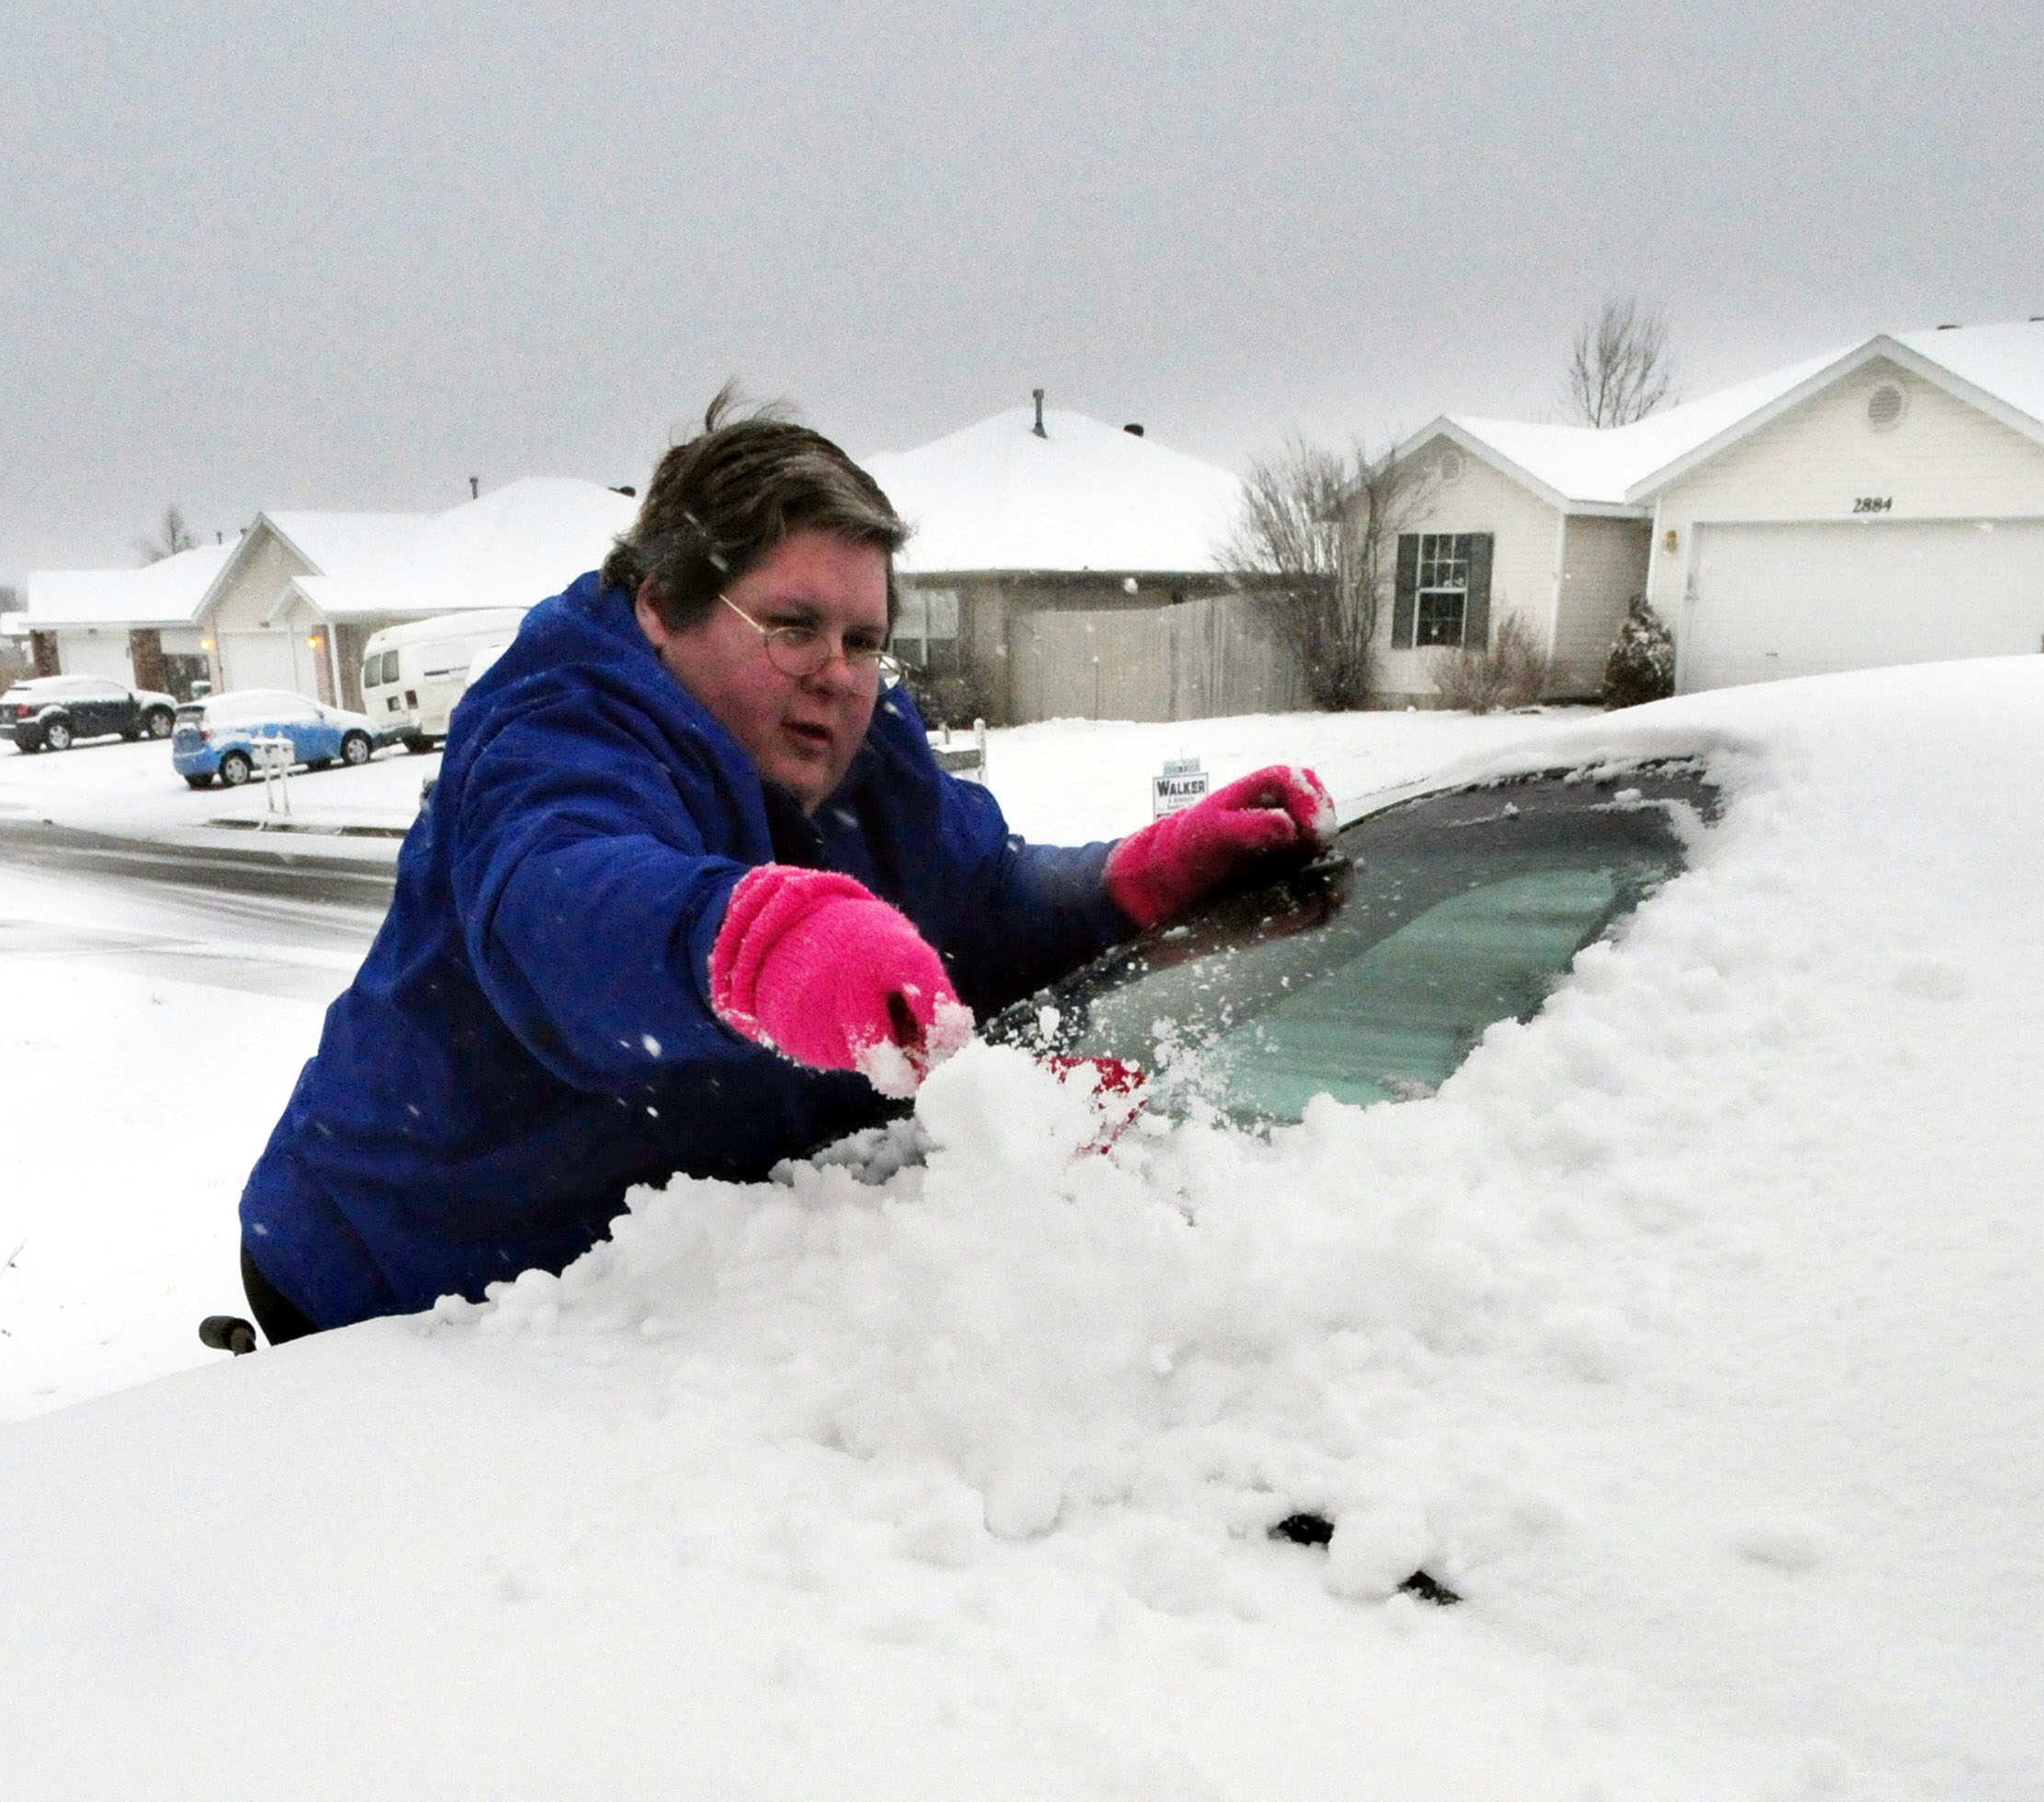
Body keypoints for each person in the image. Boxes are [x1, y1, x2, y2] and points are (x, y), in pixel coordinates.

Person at [221, 393, 1333, 1348]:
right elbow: (562, 902)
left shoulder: (852, 738)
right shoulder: (559, 726)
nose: (840, 676)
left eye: (862, 637)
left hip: (635, 1293)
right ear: (663, 604)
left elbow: (977, 901)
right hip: (399, 1284)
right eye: (792, 625)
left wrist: (1123, 884)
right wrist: (763, 943)